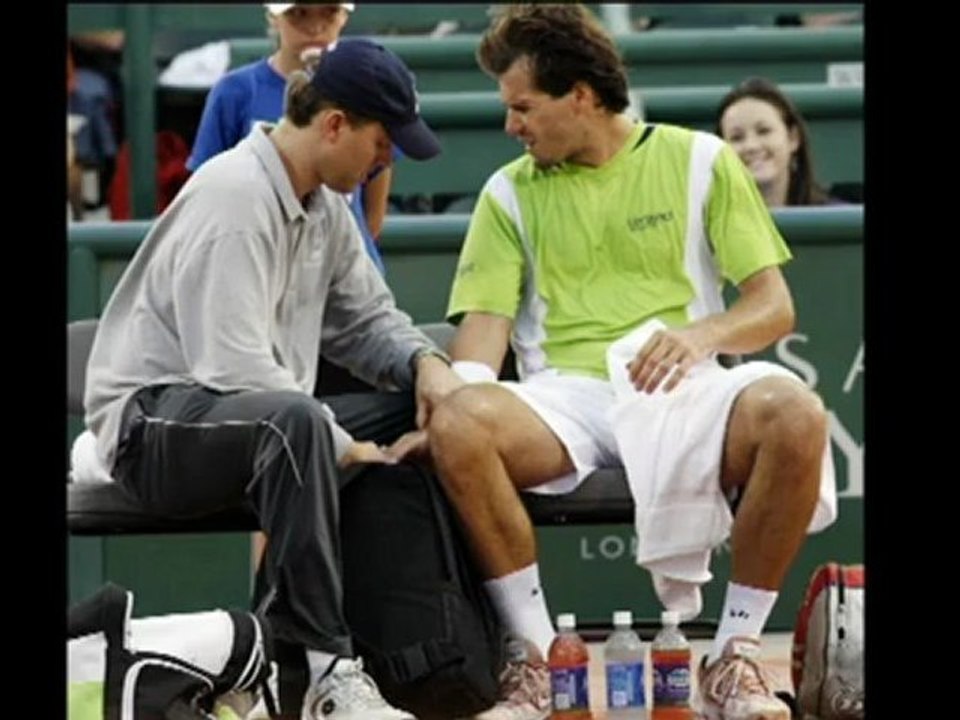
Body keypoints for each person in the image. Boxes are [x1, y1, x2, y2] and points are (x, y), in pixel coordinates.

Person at [399, 6, 838, 719]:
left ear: (579, 95)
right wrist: (454, 410)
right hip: (564, 400)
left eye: (523, 107)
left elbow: (773, 307)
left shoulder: (700, 159)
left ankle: (732, 658)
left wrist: (701, 335)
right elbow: (482, 336)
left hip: (687, 387)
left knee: (797, 413)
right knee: (462, 419)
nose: (511, 126)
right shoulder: (507, 191)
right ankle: (539, 659)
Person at [83, 37, 462, 719]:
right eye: (382, 141)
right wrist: (344, 443)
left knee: (425, 412)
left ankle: (399, 656)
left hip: (256, 426)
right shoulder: (234, 195)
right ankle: (325, 674)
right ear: (335, 124)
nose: (389, 160)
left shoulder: (327, 202)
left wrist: (426, 366)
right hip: (152, 430)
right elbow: (232, 371)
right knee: (297, 423)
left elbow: (366, 320)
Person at [187, 3, 394, 274]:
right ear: (274, 18)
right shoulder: (234, 91)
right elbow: (207, 195)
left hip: (347, 272)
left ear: (343, 17)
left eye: (329, 13)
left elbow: (373, 209)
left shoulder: (367, 87)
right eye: (298, 14)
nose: (315, 27)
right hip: (262, 267)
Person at [715, 76, 834, 207]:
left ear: (793, 138)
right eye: (737, 138)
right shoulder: (704, 224)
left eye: (764, 131)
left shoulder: (842, 221)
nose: (751, 146)